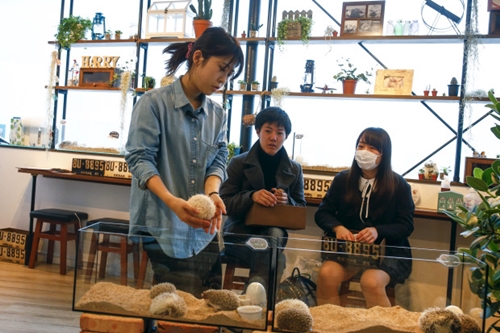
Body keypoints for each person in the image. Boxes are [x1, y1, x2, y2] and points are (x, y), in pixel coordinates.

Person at [125, 27, 244, 297]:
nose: (223, 79)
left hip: (204, 231)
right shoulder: (153, 104)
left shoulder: (217, 113)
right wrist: (172, 202)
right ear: (198, 57)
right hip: (164, 225)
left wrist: (213, 192)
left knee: (208, 306)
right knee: (173, 309)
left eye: (229, 73)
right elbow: (139, 159)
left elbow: (219, 156)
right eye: (221, 69)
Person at [314, 127, 414, 308]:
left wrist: (378, 231)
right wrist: (337, 227)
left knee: (371, 282)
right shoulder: (342, 180)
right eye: (361, 146)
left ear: (384, 154)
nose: (364, 152)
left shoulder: (399, 185)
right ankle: (331, 325)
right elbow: (322, 213)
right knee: (326, 274)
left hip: (387, 254)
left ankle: (382, 329)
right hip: (349, 253)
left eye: (373, 148)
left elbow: (406, 225)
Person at [219, 107, 306, 291]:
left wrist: (287, 201)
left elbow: (300, 208)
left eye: (280, 133)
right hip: (240, 235)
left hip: (273, 237)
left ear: (286, 136)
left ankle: (251, 294)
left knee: (273, 235)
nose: (273, 137)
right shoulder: (238, 163)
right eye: (268, 131)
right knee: (277, 257)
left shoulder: (295, 169)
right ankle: (258, 298)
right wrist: (251, 196)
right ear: (258, 131)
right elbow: (224, 202)